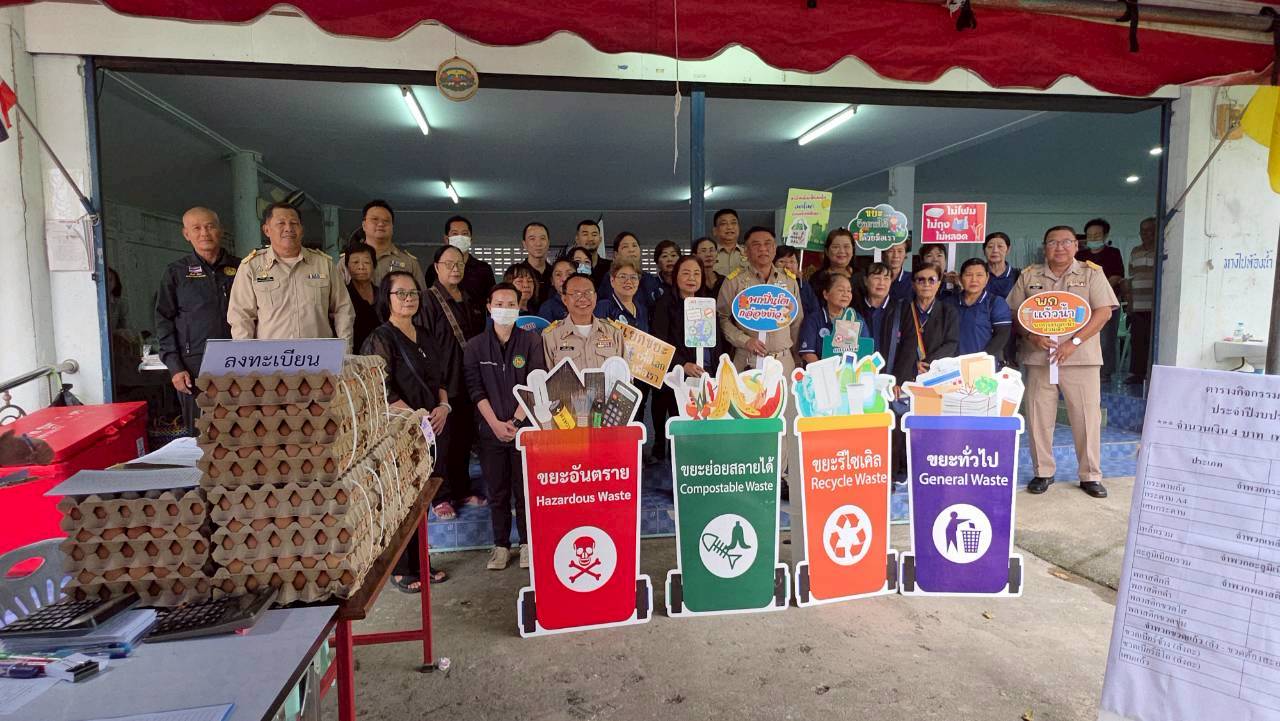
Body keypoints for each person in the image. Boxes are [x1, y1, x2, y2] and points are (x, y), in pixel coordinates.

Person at [1009, 225, 1119, 499]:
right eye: (1053, 242)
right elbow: (1014, 313)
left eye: (1066, 242)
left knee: (1086, 418)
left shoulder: (1092, 273)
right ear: (1044, 247)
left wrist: (1074, 343)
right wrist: (1031, 336)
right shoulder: (1029, 275)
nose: (1059, 247)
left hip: (1080, 358)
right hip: (1040, 358)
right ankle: (1043, 471)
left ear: (1076, 246)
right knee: (1038, 417)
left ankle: (1090, 475)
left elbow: (1104, 312)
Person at [359, 271, 450, 589]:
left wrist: (444, 406)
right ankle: (400, 568)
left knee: (422, 499)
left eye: (413, 293)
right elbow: (380, 389)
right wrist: (415, 419)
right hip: (399, 433)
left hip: (430, 429)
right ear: (387, 298)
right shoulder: (380, 338)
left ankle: (423, 563)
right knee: (402, 501)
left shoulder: (425, 335)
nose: (409, 299)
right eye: (401, 293)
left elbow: (440, 378)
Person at [463, 283, 546, 571]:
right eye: (499, 303)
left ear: (519, 307)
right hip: (490, 431)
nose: (505, 309)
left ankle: (527, 544)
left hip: (524, 429)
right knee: (497, 492)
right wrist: (495, 424)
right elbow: (475, 389)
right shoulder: (475, 346)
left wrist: (516, 421)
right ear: (489, 307)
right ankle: (500, 545)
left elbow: (536, 381)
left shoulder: (532, 341)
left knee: (524, 491)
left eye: (511, 304)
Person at [154, 207, 241, 435]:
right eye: (197, 228)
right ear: (186, 234)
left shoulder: (242, 268)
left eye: (210, 226)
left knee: (242, 430)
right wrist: (175, 367)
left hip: (239, 361)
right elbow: (163, 321)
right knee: (202, 434)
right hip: (195, 366)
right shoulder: (176, 272)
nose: (204, 233)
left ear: (220, 230)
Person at [418, 244, 488, 520]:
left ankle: (461, 489)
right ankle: (441, 496)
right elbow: (424, 343)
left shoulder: (469, 298)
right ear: (436, 267)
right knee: (441, 440)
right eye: (448, 264)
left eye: (459, 263)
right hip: (442, 382)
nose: (455, 269)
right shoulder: (428, 300)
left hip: (467, 379)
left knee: (463, 438)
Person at [227, 203, 355, 349]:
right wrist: (245, 355)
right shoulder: (251, 267)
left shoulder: (323, 264)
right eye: (281, 223)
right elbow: (241, 317)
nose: (288, 228)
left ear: (302, 230)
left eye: (294, 223)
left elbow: (343, 310)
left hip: (318, 355)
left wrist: (345, 350)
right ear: (267, 230)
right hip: (271, 357)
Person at [650, 255, 716, 457]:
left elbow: (715, 342)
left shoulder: (707, 304)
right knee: (677, 423)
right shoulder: (664, 304)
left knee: (700, 424)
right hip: (674, 374)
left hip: (702, 374)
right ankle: (673, 463)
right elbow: (660, 341)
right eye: (686, 273)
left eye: (696, 273)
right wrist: (682, 364)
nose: (691, 278)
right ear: (676, 276)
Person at [717, 226, 804, 372]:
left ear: (774, 248)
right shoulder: (735, 281)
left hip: (783, 360)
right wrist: (745, 340)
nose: (763, 249)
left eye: (768, 244)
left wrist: (797, 355)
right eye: (756, 244)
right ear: (745, 251)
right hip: (747, 358)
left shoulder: (788, 280)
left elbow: (797, 321)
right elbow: (722, 318)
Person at [891, 264, 959, 386]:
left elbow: (951, 343)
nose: (926, 284)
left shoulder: (948, 311)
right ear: (913, 284)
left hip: (937, 375)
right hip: (905, 375)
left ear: (938, 284)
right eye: (921, 280)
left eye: (931, 280)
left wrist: (927, 364)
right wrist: (912, 366)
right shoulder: (901, 309)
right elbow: (895, 344)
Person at [1076, 218, 1126, 383]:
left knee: (1106, 339)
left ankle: (1104, 373)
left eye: (1097, 235)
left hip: (1106, 303)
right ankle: (1083, 369)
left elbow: (1116, 276)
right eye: (1090, 235)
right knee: (1082, 336)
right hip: (1083, 304)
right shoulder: (1080, 255)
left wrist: (1097, 292)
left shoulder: (1113, 253)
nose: (1093, 238)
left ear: (1105, 236)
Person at [542, 273, 624, 369]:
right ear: (564, 299)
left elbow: (625, 374)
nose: (583, 299)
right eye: (576, 294)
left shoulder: (614, 333)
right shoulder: (551, 336)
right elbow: (547, 376)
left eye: (588, 292)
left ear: (595, 297)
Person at [949, 259, 1013, 362]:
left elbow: (1001, 336)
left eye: (979, 275)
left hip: (984, 364)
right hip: (953, 365)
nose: (974, 280)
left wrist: (981, 359)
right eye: (969, 275)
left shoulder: (995, 303)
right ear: (960, 278)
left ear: (987, 278)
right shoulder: (949, 303)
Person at [798, 272, 868, 366]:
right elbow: (808, 354)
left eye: (849, 291)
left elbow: (864, 350)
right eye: (841, 290)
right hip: (820, 372)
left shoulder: (857, 319)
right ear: (826, 294)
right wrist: (826, 372)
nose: (846, 294)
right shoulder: (813, 319)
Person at [425, 215, 496, 306]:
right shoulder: (434, 269)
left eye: (464, 233)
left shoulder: (483, 269)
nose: (460, 237)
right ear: (446, 239)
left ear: (471, 239)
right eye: (455, 234)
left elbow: (492, 300)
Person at [360, 200, 426, 288]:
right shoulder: (347, 261)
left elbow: (420, 295)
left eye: (386, 221)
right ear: (364, 225)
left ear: (392, 227)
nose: (381, 224)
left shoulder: (409, 263)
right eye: (375, 219)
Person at [853, 262, 904, 369]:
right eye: (876, 278)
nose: (881, 283)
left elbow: (908, 346)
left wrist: (898, 377)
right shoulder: (854, 309)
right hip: (860, 372)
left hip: (892, 374)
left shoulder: (903, 309)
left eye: (886, 278)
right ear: (866, 281)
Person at [1125, 217, 1157, 385]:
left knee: (1152, 341)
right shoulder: (1135, 251)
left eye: (1151, 230)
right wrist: (1130, 303)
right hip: (1137, 305)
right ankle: (1137, 374)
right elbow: (1130, 279)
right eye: (1143, 230)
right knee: (1137, 341)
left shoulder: (1161, 250)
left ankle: (1153, 374)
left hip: (1155, 306)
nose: (1147, 234)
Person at [602, 232, 663, 310]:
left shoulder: (649, 279)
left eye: (634, 246)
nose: (631, 250)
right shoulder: (610, 278)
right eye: (625, 247)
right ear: (616, 254)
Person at [343, 241, 379, 353]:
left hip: (382, 353)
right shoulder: (342, 295)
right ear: (347, 266)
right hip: (353, 354)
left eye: (367, 262)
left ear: (374, 265)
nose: (361, 267)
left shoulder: (383, 293)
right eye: (355, 262)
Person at [595, 259, 649, 332]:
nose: (628, 281)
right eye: (623, 277)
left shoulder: (642, 309)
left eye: (633, 277)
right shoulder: (604, 307)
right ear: (612, 281)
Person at [774, 246, 820, 319]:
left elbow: (815, 311)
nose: (787, 266)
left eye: (792, 262)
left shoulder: (803, 286)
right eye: (781, 261)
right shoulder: (769, 284)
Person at [517, 222, 554, 307]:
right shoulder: (516, 275)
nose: (538, 244)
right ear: (524, 244)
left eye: (542, 238)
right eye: (532, 239)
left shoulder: (555, 273)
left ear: (548, 243)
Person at [983, 232, 1020, 298]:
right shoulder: (977, 274)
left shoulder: (1018, 275)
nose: (995, 250)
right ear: (984, 251)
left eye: (1000, 246)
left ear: (1008, 250)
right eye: (990, 247)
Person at [574, 220, 611, 286]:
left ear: (600, 239)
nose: (590, 239)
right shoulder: (570, 266)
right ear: (577, 239)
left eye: (594, 235)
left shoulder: (611, 267)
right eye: (585, 234)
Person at [711, 209, 746, 276]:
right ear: (715, 231)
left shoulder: (749, 253)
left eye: (733, 223)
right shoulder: (709, 255)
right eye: (723, 224)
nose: (729, 227)